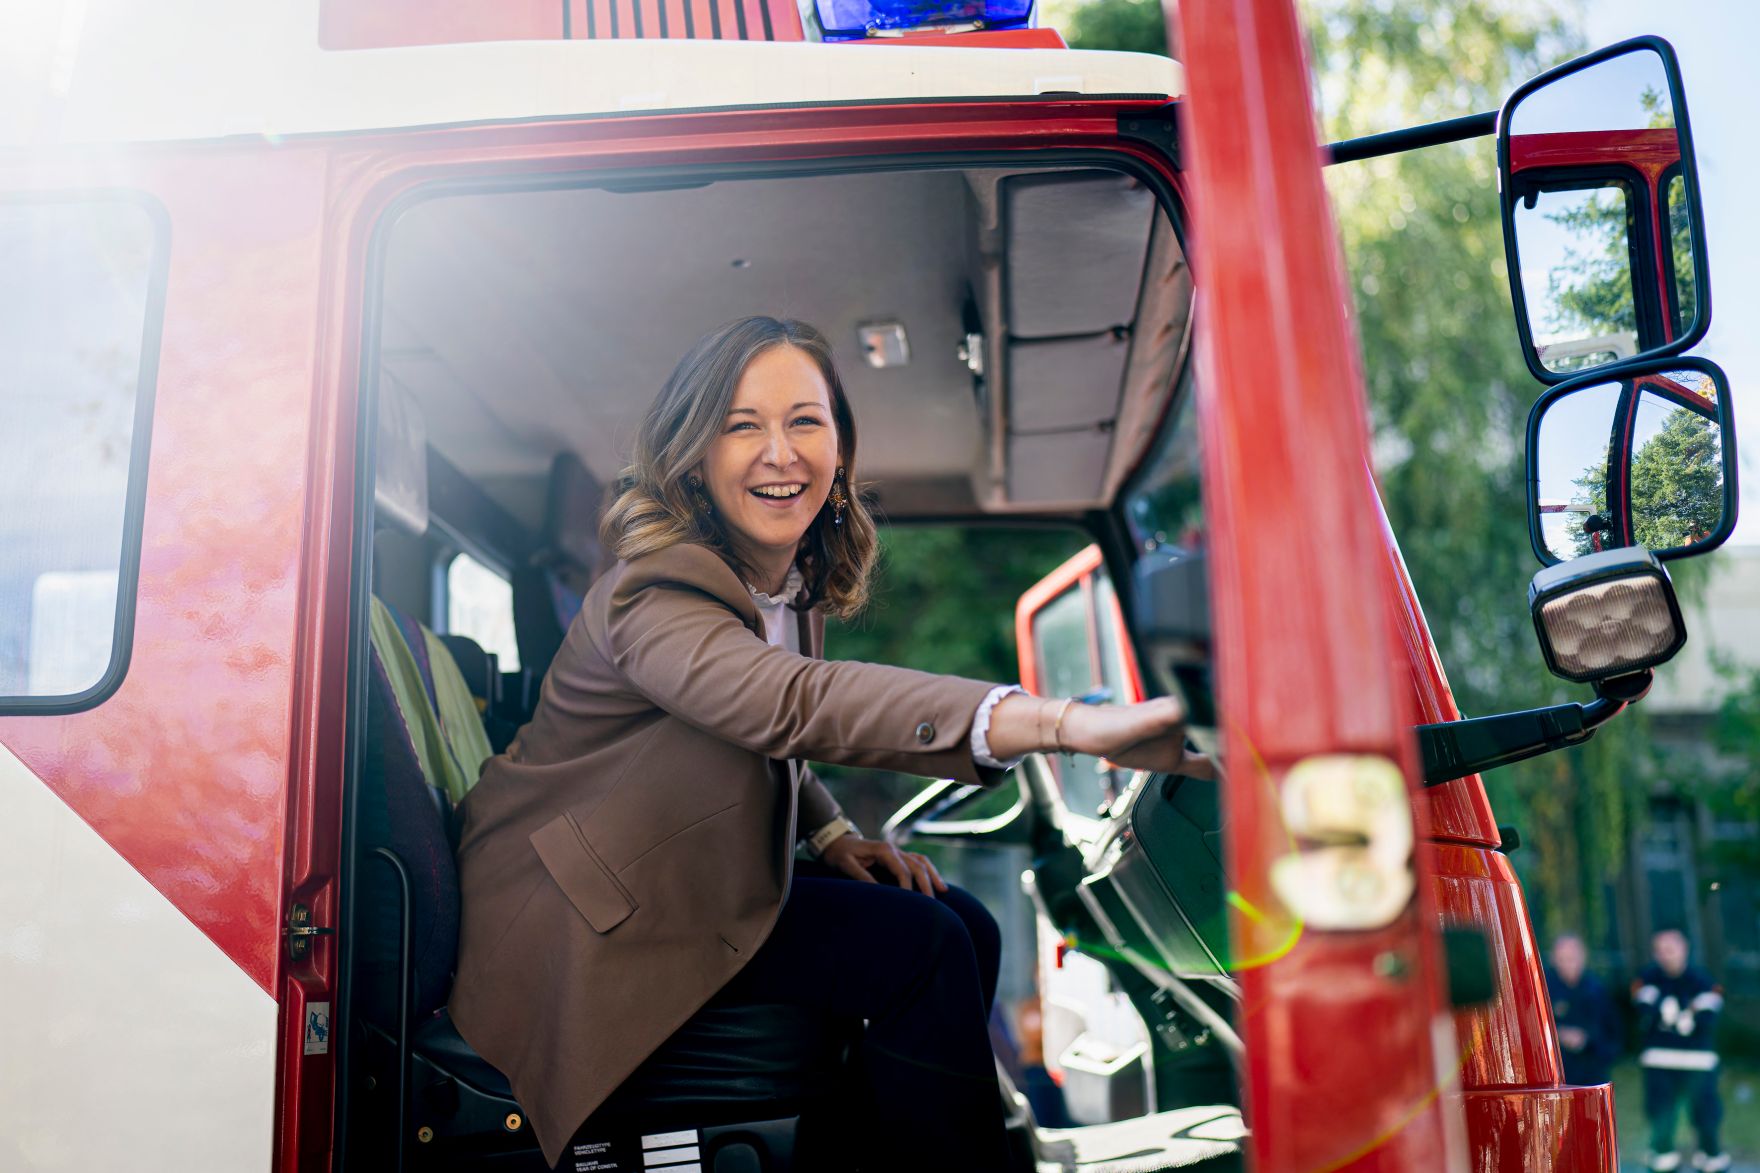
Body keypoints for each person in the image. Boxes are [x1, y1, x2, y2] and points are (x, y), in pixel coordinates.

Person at [448, 317, 1202, 1171]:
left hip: (669, 876)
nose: (781, 452)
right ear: (694, 455)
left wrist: (834, 833)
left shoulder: (780, 584)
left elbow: (763, 740)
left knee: (963, 920)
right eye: (743, 425)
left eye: (805, 421)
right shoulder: (652, 591)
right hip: (593, 917)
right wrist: (1059, 722)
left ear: (840, 450)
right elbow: (789, 704)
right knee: (923, 948)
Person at [1633, 928, 1728, 1173]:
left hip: (1698, 1063)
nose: (1666, 956)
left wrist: (1670, 1011)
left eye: (1671, 949)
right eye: (1660, 950)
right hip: (1660, 1062)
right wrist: (1687, 1011)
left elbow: (1710, 1013)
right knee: (1661, 1120)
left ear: (1684, 949)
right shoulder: (1647, 977)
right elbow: (1643, 1008)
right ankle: (1663, 1162)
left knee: (1707, 1119)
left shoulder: (1703, 979)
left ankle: (1711, 1159)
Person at [1544, 932, 1621, 1087]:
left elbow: (1613, 1033)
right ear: (1553, 959)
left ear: (1583, 957)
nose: (1568, 964)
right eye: (1562, 959)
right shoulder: (1542, 991)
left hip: (1592, 1073)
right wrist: (1557, 1034)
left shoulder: (1597, 990)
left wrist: (1587, 1039)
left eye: (1572, 958)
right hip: (1556, 1076)